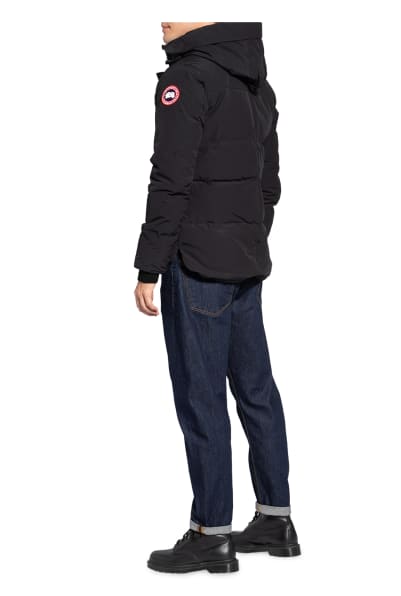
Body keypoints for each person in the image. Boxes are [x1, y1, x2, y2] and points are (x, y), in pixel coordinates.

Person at [133, 21, 301, 574]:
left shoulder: (186, 79)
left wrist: (149, 265)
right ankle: (276, 520)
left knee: (201, 397)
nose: (162, 20)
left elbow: (170, 179)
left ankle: (211, 534)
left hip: (197, 265)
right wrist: (246, 239)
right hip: (245, 263)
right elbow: (269, 184)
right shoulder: (257, 82)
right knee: (257, 391)